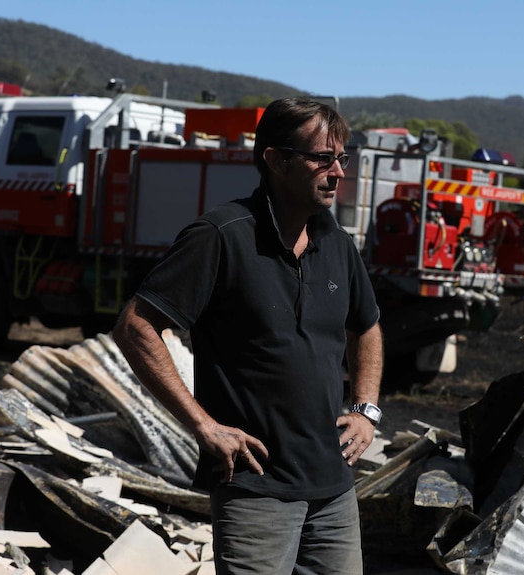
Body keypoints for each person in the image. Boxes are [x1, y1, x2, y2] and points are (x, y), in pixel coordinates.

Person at [112, 97, 384, 574]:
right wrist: (203, 426)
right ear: (276, 160)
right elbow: (136, 325)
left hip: (334, 487)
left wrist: (366, 410)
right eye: (322, 158)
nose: (338, 172)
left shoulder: (337, 244)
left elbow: (367, 326)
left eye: (342, 158)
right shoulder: (221, 235)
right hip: (256, 489)